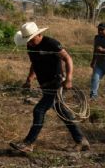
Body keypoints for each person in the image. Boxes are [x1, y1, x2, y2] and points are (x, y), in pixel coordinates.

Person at [10, 22, 89, 153]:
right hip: (45, 85)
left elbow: (68, 59)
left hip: (56, 83)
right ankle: (81, 140)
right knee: (63, 112)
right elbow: (34, 63)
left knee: (39, 111)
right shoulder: (31, 47)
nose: (29, 43)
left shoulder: (51, 43)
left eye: (31, 39)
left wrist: (69, 78)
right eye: (27, 41)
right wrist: (30, 78)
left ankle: (28, 143)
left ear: (39, 34)